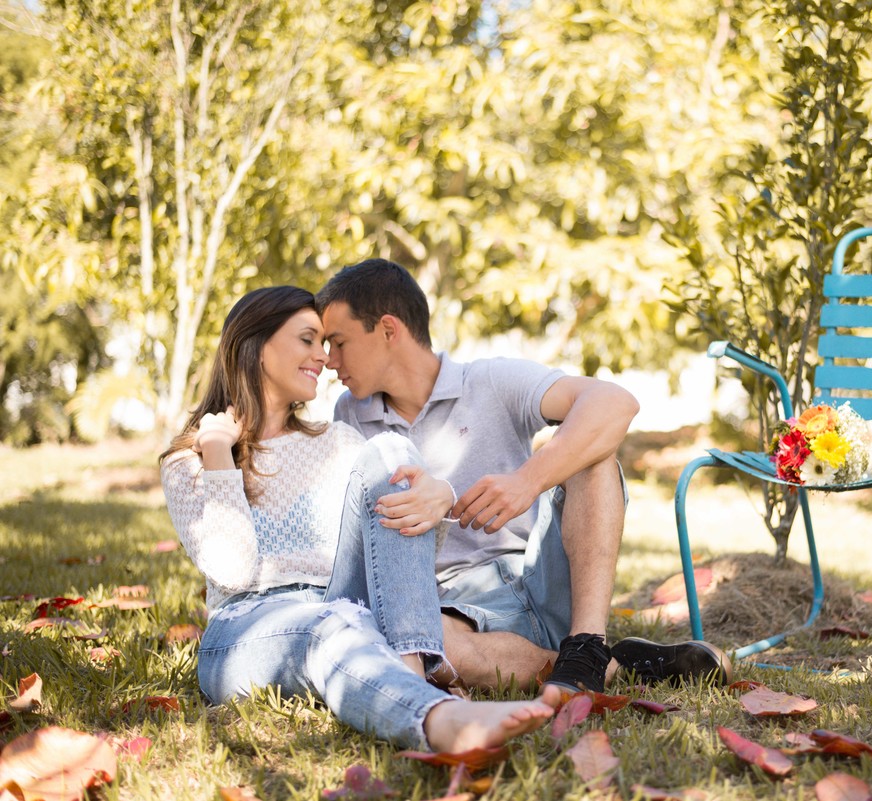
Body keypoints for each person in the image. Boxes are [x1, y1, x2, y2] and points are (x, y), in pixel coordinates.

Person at [160, 286, 557, 751]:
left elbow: (399, 561)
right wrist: (218, 455)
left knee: (391, 449)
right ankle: (437, 718)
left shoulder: (338, 441)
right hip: (247, 627)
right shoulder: (190, 459)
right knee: (329, 628)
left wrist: (437, 500)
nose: (324, 357)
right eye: (307, 340)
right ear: (257, 347)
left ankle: (411, 672)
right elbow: (232, 570)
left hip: (344, 606)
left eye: (326, 343)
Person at [315, 260, 731, 695]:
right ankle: (609, 668)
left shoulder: (490, 380)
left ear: (388, 329)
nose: (329, 361)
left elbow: (615, 402)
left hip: (543, 579)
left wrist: (527, 481)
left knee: (593, 454)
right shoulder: (350, 415)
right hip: (459, 610)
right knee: (429, 646)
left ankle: (587, 640)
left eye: (338, 342)